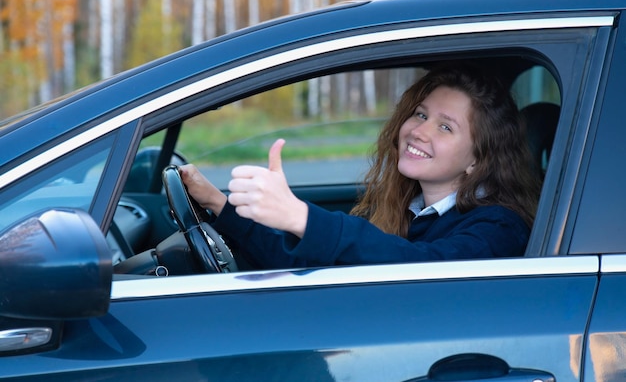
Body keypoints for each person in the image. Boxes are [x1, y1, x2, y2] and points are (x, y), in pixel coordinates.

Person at [180, 64, 541, 269]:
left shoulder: (498, 228)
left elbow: (423, 269)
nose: (418, 131)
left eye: (445, 126)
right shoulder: (411, 211)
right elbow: (309, 262)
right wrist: (218, 204)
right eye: (420, 114)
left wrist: (301, 217)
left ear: (478, 156)